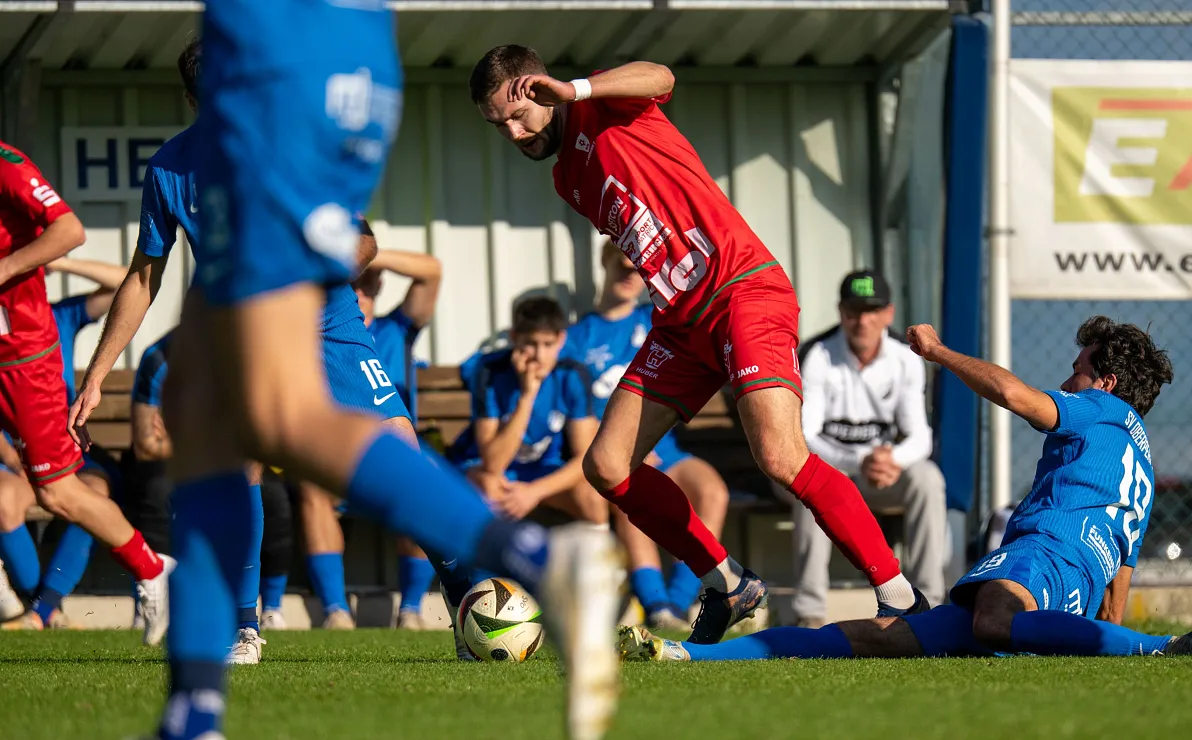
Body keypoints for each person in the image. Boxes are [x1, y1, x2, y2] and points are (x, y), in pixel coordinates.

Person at [70, 18, 617, 740]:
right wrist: (102, 367)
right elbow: (145, 274)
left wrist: (334, 252)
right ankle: (228, 654)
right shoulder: (174, 167)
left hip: (325, 322)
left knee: (345, 436)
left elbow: (361, 240)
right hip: (256, 287)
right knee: (220, 432)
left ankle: (517, 568)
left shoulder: (284, 131)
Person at [470, 45, 925, 645]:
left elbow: (662, 75)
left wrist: (575, 89)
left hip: (742, 290)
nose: (511, 130)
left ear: (536, 88)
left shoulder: (605, 101)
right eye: (496, 123)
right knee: (606, 467)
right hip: (681, 321)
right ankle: (727, 583)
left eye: (516, 113)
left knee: (781, 456)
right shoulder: (565, 176)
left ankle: (902, 596)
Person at [619, 317, 1192, 662]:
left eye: (1078, 370)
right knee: (878, 638)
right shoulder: (1136, 455)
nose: (1068, 382)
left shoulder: (1098, 410)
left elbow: (1020, 399)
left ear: (1108, 383)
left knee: (993, 619)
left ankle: (1166, 648)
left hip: (1047, 556)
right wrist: (1114, 636)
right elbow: (1121, 570)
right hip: (1072, 581)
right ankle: (687, 653)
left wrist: (940, 353)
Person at [0, 137, 172, 645]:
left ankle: (153, 570)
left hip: (21, 356)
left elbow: (69, 230)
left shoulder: (7, 165)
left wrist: (6, 269)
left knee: (58, 492)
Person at [566, 242, 729, 630]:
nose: (629, 275)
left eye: (637, 269)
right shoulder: (576, 336)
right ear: (604, 261)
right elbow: (569, 406)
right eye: (621, 265)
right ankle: (656, 606)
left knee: (712, 491)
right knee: (626, 489)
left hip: (664, 447)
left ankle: (682, 604)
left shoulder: (660, 322)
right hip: (611, 452)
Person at [786, 270, 947, 626]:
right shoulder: (816, 354)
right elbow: (803, 438)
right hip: (836, 468)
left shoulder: (905, 356)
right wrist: (861, 460)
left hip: (882, 474)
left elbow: (920, 435)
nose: (863, 320)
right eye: (854, 310)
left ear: (888, 314)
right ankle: (809, 614)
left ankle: (928, 608)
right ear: (840, 312)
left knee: (929, 480)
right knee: (811, 482)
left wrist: (891, 460)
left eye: (872, 310)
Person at [299, 239, 443, 631]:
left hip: (391, 452)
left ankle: (410, 610)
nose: (357, 291)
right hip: (336, 455)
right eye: (351, 283)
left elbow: (431, 271)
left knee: (419, 476)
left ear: (377, 288)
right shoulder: (320, 331)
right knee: (313, 489)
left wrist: (370, 254)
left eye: (365, 284)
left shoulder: (395, 330)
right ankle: (336, 612)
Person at [0, 255, 130, 629]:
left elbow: (125, 282)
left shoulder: (62, 316)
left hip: (65, 451)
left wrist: (63, 261)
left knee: (95, 493)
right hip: (12, 457)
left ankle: (40, 611)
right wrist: (14, 458)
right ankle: (46, 610)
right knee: (5, 500)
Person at [452, 296, 607, 526]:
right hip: (491, 471)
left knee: (592, 498)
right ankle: (500, 560)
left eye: (547, 344)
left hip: (541, 471)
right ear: (513, 337)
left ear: (561, 340)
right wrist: (527, 396)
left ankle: (600, 562)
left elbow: (584, 460)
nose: (539, 356)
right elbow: (493, 464)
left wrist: (534, 492)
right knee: (489, 488)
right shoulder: (490, 372)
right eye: (530, 343)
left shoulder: (571, 374)